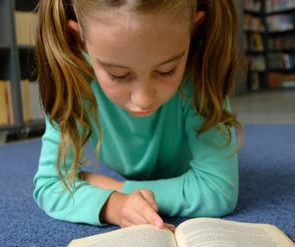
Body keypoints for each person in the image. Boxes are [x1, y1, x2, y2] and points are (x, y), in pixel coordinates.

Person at [33, 0, 244, 231]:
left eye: (167, 70)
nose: (143, 100)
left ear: (193, 30)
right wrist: (114, 206)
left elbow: (218, 191)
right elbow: (51, 184)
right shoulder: (74, 77)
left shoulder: (200, 72)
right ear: (78, 40)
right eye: (118, 74)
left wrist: (115, 187)